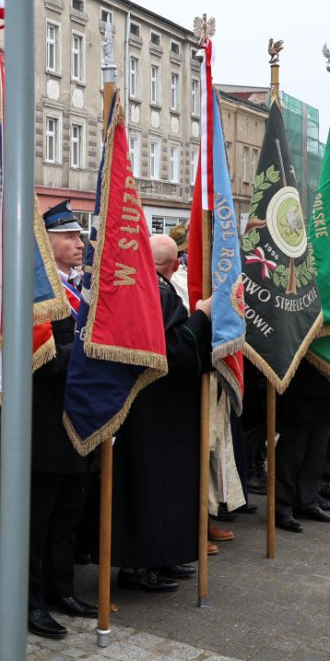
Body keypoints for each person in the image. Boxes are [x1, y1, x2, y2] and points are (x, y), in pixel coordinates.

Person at [112, 234, 212, 592]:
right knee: (149, 484)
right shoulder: (159, 291)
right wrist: (203, 317)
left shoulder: (141, 286)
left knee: (160, 483)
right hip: (152, 407)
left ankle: (160, 555)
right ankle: (140, 565)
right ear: (173, 266)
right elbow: (173, 351)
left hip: (148, 405)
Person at [27, 201, 96, 640]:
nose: (79, 243)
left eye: (78, 236)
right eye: (68, 237)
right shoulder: (38, 292)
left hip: (78, 420)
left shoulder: (81, 287)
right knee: (37, 519)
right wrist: (94, 352)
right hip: (43, 424)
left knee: (68, 514)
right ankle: (30, 603)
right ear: (46, 242)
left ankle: (60, 589)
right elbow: (42, 361)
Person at [273, 362, 330, 532]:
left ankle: (307, 501)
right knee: (292, 451)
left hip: (326, 373)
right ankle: (282, 507)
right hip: (297, 376)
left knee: (317, 450)